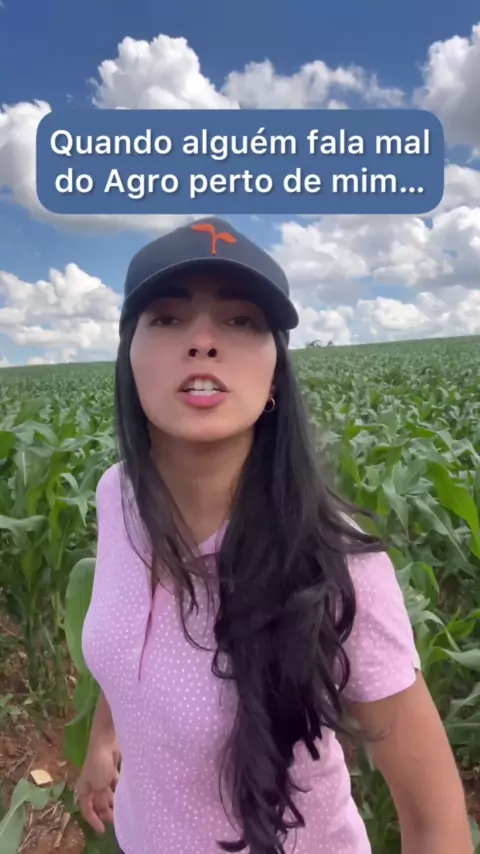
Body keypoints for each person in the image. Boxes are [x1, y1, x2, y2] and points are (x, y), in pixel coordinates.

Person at [76, 217, 473, 854]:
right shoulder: (114, 494)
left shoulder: (332, 561)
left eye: (241, 321)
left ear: (274, 377)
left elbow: (435, 823)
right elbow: (130, 639)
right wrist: (104, 739)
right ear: (130, 357)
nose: (203, 341)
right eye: (167, 318)